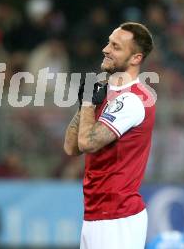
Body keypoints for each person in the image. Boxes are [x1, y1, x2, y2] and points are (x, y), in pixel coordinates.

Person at [64, 22, 156, 249]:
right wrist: (87, 100)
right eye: (109, 42)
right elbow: (70, 147)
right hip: (96, 213)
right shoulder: (104, 90)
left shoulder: (133, 100)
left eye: (116, 46)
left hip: (118, 218)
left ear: (135, 58)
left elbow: (87, 143)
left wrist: (87, 103)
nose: (106, 49)